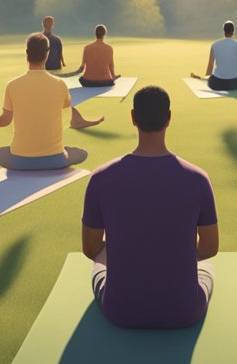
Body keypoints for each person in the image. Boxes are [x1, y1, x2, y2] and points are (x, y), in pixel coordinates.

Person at [82, 85, 218, 329]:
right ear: (169, 119)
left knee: (98, 265)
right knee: (207, 268)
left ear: (133, 118)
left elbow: (91, 248)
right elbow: (209, 248)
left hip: (121, 310)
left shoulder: (101, 177)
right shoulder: (198, 178)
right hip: (184, 311)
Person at [0, 32, 103, 169]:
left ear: (27, 52)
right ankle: (58, 155)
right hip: (55, 160)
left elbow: (5, 120)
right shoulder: (60, 85)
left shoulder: (12, 85)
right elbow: (70, 116)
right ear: (47, 53)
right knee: (81, 153)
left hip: (21, 161)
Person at [190, 20, 237, 91]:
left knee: (212, 79)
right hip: (235, 84)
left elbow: (210, 66)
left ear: (224, 31)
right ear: (233, 31)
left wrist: (206, 78)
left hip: (217, 84)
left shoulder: (215, 45)